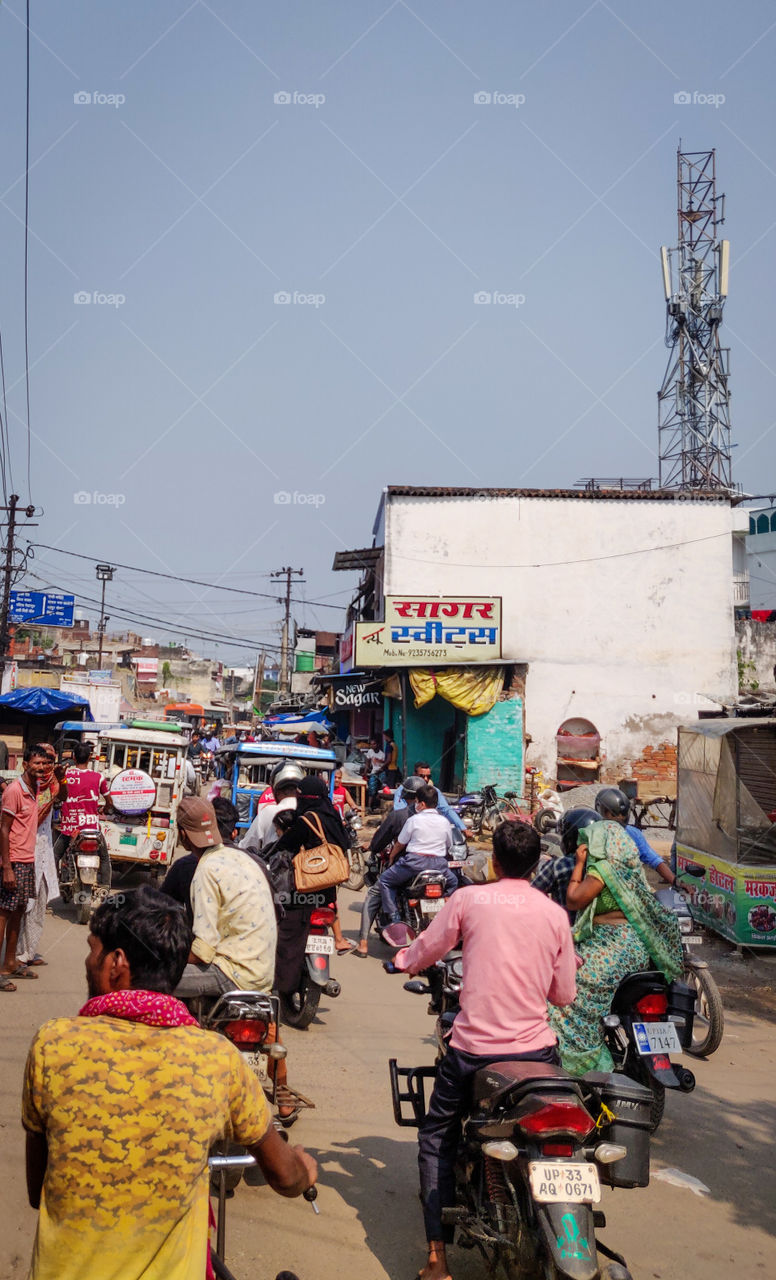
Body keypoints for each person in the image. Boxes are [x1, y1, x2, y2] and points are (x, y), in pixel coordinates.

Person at [22, 885, 316, 1280]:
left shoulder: (52, 1043)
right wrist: (305, 1168)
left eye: (93, 949)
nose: (88, 961)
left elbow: (37, 1189)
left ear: (117, 962)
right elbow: (285, 1177)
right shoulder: (217, 1057)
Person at [394, 821, 577, 1280]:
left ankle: (437, 1257)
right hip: (539, 1056)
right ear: (538, 865)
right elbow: (564, 995)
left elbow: (426, 949)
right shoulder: (555, 914)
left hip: (474, 1051)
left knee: (437, 1137)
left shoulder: (469, 899)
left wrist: (401, 960)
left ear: (493, 861)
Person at [549, 817, 683, 1076]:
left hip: (610, 947)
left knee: (564, 989)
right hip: (635, 949)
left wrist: (578, 865)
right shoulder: (631, 870)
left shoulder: (602, 871)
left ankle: (579, 1056)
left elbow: (574, 900)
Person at [173, 797, 277, 999]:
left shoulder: (206, 869)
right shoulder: (242, 858)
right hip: (264, 975)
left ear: (183, 834)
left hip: (233, 975)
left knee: (144, 978)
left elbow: (203, 951)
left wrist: (169, 958)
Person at [273, 775, 353, 991]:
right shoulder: (333, 816)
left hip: (306, 885)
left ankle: (280, 980)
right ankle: (338, 939)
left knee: (282, 921)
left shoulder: (306, 820)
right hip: (329, 884)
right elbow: (346, 842)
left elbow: (284, 846)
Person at [0, 745, 53, 992]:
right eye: (36, 763)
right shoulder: (14, 790)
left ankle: (10, 963)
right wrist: (7, 867)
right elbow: (4, 829)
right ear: (25, 765)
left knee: (19, 911)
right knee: (3, 914)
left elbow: (57, 793)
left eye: (44, 763)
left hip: (27, 859)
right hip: (13, 861)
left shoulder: (36, 788)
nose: (41, 767)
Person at [353, 775, 425, 958]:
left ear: (404, 796)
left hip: (406, 867)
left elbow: (380, 841)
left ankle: (362, 943)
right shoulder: (437, 817)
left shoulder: (399, 816)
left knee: (374, 894)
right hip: (435, 868)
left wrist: (374, 847)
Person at [379, 784, 458, 925]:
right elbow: (449, 845)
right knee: (454, 881)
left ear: (421, 804)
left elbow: (400, 843)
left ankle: (394, 916)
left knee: (385, 880)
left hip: (414, 864)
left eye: (416, 802)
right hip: (439, 866)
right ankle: (446, 901)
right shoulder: (445, 822)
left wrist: (392, 856)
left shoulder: (413, 820)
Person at [18, 745, 67, 970]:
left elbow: (62, 798)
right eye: (41, 762)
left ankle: (28, 951)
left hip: (45, 850)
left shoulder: (53, 784)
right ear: (28, 763)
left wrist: (60, 781)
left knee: (38, 904)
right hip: (25, 851)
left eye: (49, 762)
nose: (45, 766)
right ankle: (17, 953)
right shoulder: (25, 787)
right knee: (23, 905)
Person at [594, 787, 676, 885]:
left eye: (621, 815)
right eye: (613, 814)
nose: (619, 818)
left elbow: (654, 860)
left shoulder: (633, 833)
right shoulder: (591, 833)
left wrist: (676, 882)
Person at [240, 762, 305, 857]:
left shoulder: (267, 812)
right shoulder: (309, 812)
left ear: (276, 791)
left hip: (272, 868)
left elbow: (247, 846)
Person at [394, 761, 466, 831]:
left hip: (430, 828)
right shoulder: (404, 790)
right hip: (408, 827)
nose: (425, 779)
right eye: (422, 776)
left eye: (428, 776)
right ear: (414, 775)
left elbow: (446, 809)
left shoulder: (434, 791)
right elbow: (399, 810)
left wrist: (462, 828)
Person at [364, 736, 386, 811]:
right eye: (371, 744)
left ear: (378, 744)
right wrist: (365, 772)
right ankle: (369, 807)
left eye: (374, 744)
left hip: (381, 772)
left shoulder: (382, 754)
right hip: (374, 772)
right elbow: (367, 763)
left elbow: (384, 765)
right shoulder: (370, 752)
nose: (372, 745)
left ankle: (380, 806)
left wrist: (379, 762)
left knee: (382, 789)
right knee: (371, 789)